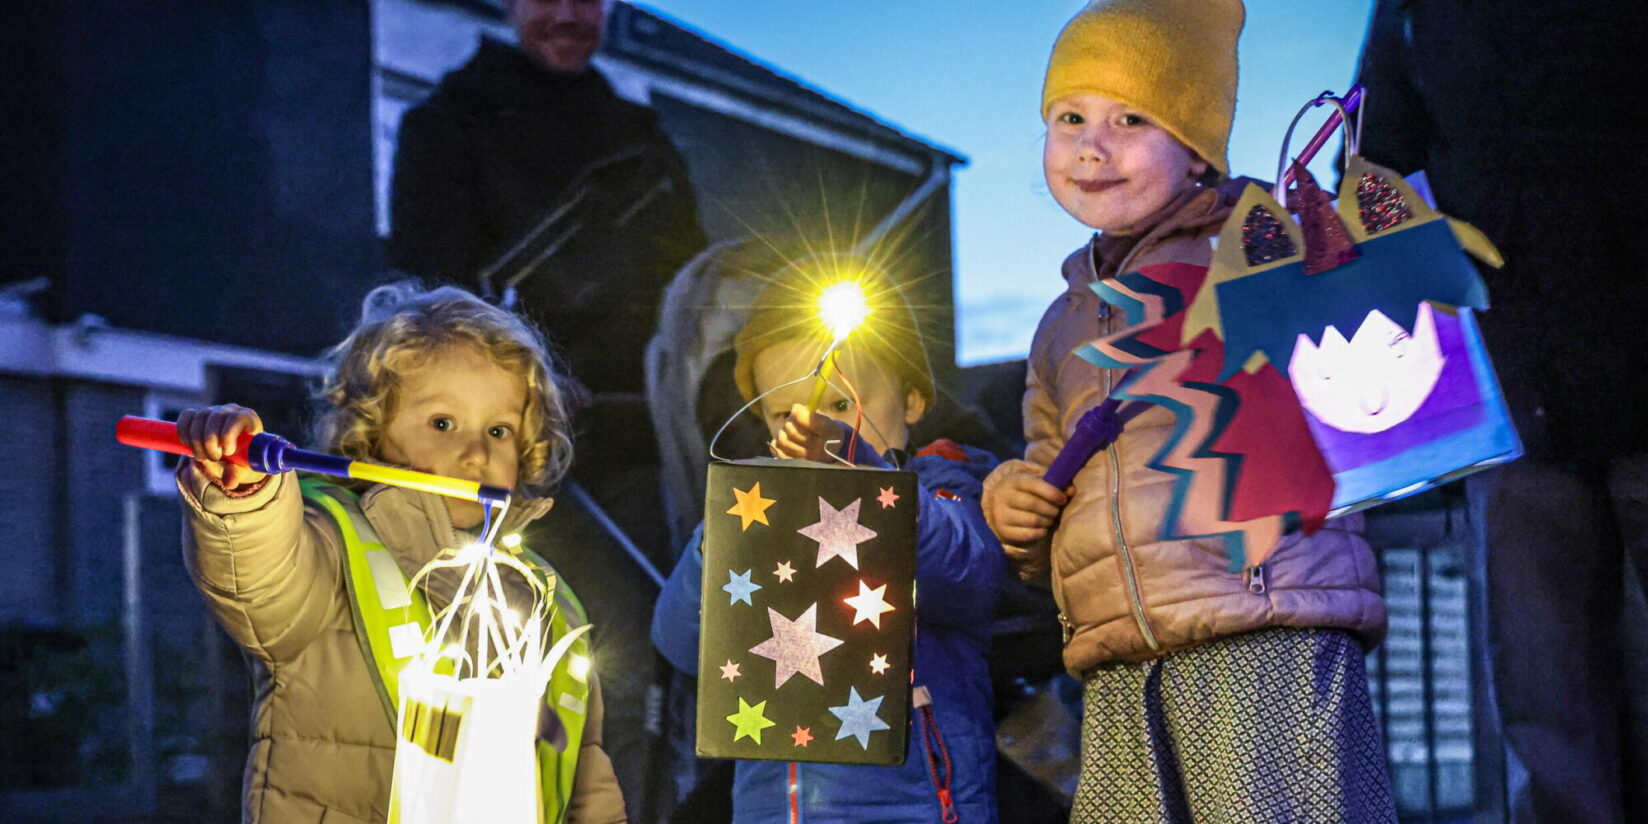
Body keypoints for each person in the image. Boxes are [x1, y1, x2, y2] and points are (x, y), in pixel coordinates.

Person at [980, 1, 1395, 821]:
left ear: (1197, 149)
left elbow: (1363, 386)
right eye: (1070, 118)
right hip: (1120, 660)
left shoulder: (1256, 249)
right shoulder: (1061, 325)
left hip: (1262, 630)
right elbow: (1050, 483)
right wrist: (1014, 507)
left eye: (1131, 118)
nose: (1092, 146)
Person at [174, 283, 626, 823]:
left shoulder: (546, 599)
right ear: (371, 434)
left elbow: (583, 775)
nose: (476, 452)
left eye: (499, 430)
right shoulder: (329, 544)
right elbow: (258, 576)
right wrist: (242, 493)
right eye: (442, 424)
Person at [1353, 3, 1648, 821]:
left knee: (1555, 683)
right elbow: (1375, 165)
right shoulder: (1415, 9)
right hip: (1512, 384)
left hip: (1558, 366)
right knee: (1542, 681)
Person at [649, 267, 1006, 822]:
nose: (814, 426)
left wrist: (862, 473)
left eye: (841, 406)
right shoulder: (757, 516)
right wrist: (716, 542)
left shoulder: (945, 489)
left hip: (917, 809)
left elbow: (968, 575)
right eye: (783, 413)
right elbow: (679, 642)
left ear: (912, 401)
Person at [389, 0, 708, 563]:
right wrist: (523, 379)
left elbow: (690, 277)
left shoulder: (642, 141)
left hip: (641, 444)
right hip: (509, 453)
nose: (567, 15)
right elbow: (432, 289)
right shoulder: (446, 125)